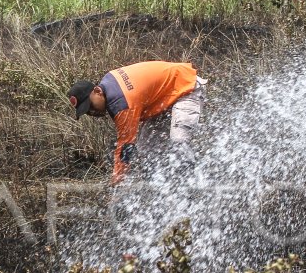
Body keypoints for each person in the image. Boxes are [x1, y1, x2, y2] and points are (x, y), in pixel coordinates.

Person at [68, 61, 207, 183]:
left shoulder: (121, 103)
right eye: (87, 111)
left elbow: (126, 144)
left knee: (179, 141)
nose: (92, 112)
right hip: (164, 99)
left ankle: (197, 185)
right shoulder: (108, 81)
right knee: (147, 150)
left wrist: (118, 177)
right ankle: (162, 189)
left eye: (90, 106)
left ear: (97, 91)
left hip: (186, 87)